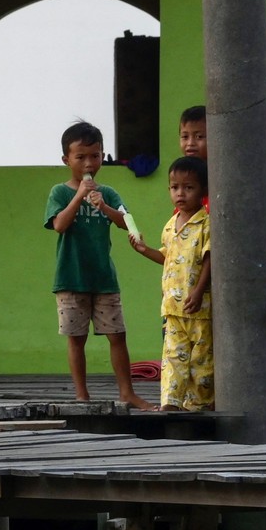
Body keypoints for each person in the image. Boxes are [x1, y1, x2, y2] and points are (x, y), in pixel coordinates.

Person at [45, 121, 152, 410]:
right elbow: (59, 226)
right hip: (70, 279)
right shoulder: (60, 192)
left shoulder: (110, 192)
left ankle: (127, 393)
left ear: (103, 156)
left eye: (95, 156)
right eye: (80, 157)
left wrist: (103, 206)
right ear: (66, 160)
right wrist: (80, 196)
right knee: (76, 339)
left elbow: (125, 222)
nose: (89, 163)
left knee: (117, 336)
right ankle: (82, 395)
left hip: (104, 278)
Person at [130, 156, 213, 411]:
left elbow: (210, 260)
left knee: (201, 361)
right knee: (173, 358)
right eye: (175, 187)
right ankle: (172, 403)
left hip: (199, 310)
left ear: (203, 191)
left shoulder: (206, 223)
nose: (181, 193)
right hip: (172, 309)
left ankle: (201, 404)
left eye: (189, 188)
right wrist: (144, 250)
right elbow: (166, 257)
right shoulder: (169, 226)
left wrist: (198, 291)